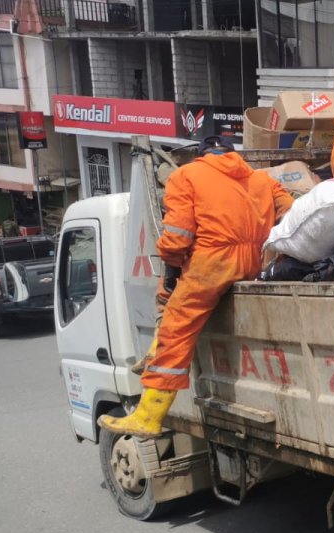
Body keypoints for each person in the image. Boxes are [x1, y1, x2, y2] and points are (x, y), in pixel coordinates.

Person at [98, 136, 293, 438]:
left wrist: (171, 267)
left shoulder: (186, 176)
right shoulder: (261, 180)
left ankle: (148, 415)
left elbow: (177, 236)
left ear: (202, 155)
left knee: (177, 328)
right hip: (253, 263)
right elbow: (290, 210)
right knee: (173, 295)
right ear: (232, 155)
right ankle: (153, 351)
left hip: (212, 264)